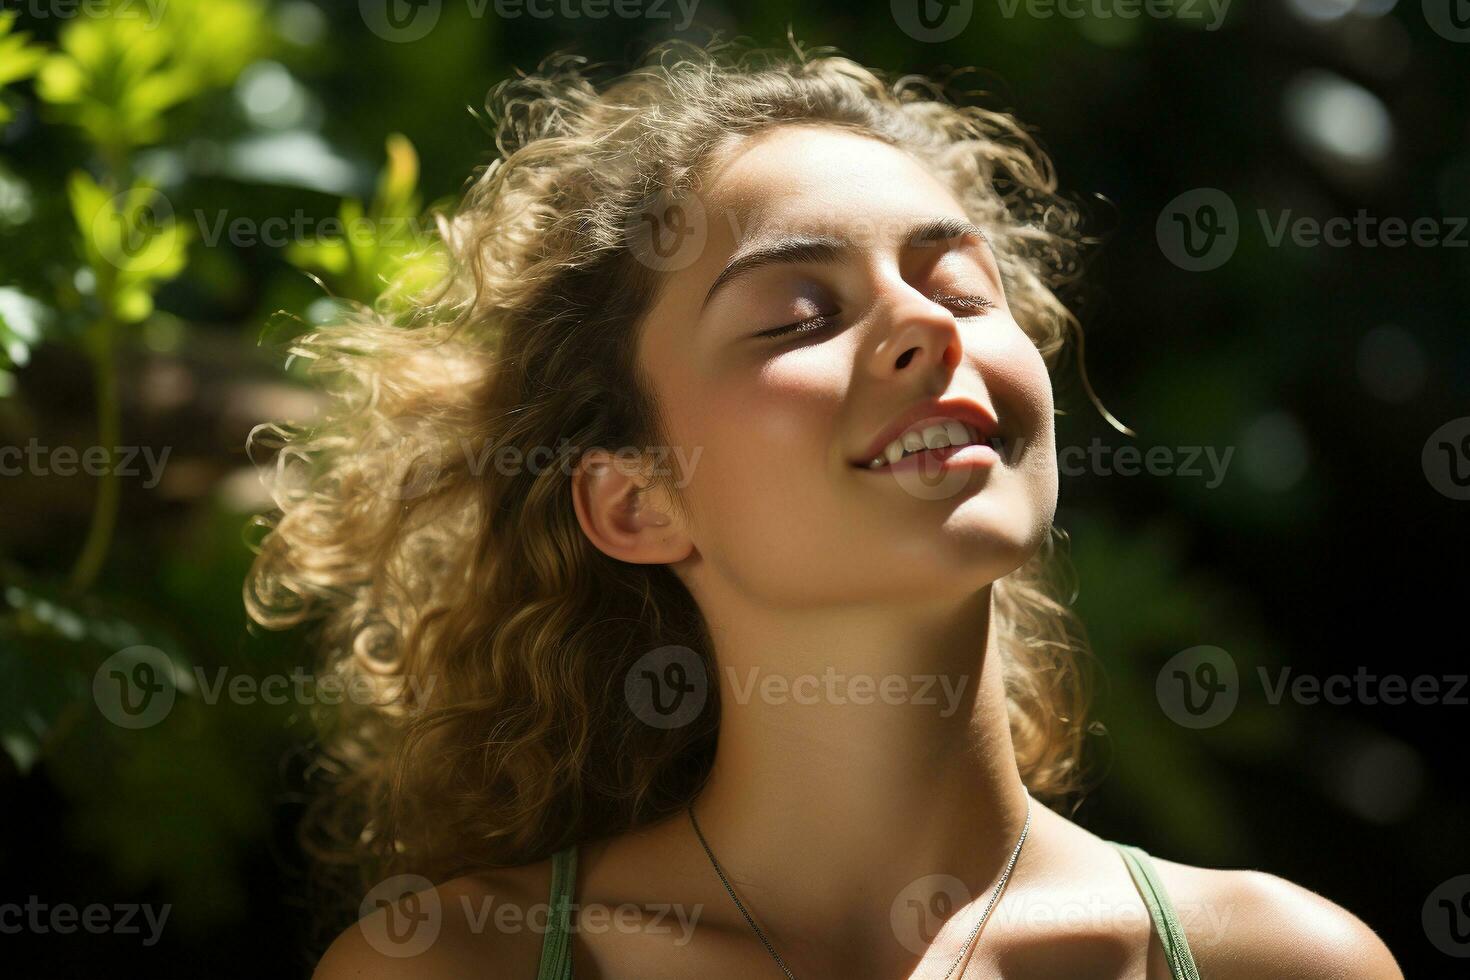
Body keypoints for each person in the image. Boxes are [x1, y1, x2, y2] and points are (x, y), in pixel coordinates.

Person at [246, 37, 1404, 980]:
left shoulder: (1281, 962)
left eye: (960, 286)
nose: (929, 325)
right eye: (797, 314)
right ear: (637, 500)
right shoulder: (452, 968)